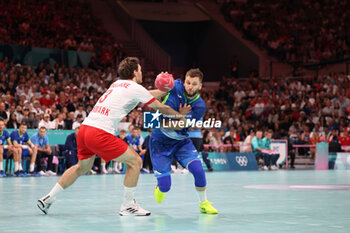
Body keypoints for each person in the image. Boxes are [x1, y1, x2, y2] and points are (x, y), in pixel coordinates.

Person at [37, 57, 190, 216]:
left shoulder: (117, 84)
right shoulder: (134, 87)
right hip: (99, 132)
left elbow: (146, 94)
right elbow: (160, 106)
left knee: (81, 167)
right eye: (140, 69)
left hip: (84, 130)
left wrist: (166, 89)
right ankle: (128, 205)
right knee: (135, 161)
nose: (141, 72)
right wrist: (180, 116)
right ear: (134, 72)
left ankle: (48, 198)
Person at [150, 68, 218, 214]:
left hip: (181, 141)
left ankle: (204, 203)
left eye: (194, 84)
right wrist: (163, 90)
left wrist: (177, 119)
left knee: (199, 170)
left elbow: (180, 125)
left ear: (200, 86)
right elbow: (147, 98)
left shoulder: (199, 106)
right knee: (165, 187)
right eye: (188, 82)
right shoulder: (174, 86)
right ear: (184, 81)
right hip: (160, 142)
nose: (190, 86)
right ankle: (160, 186)